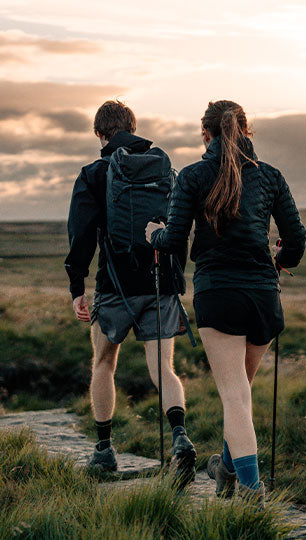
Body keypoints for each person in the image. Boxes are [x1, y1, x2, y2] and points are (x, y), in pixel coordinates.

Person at [146, 100, 306, 503]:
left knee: (235, 396)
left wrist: (153, 235)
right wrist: (280, 261)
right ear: (246, 133)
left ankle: (252, 494)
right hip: (263, 296)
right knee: (241, 393)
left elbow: (174, 239)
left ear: (206, 135)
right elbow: (297, 240)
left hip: (219, 294)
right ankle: (227, 470)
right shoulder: (270, 177)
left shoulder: (195, 176)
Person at [65, 100, 196, 478]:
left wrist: (77, 286)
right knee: (163, 367)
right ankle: (180, 437)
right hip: (160, 282)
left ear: (100, 134)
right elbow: (178, 226)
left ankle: (104, 450)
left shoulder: (94, 173)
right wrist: (175, 278)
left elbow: (81, 235)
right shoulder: (163, 168)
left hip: (115, 285)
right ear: (133, 128)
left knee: (104, 363)